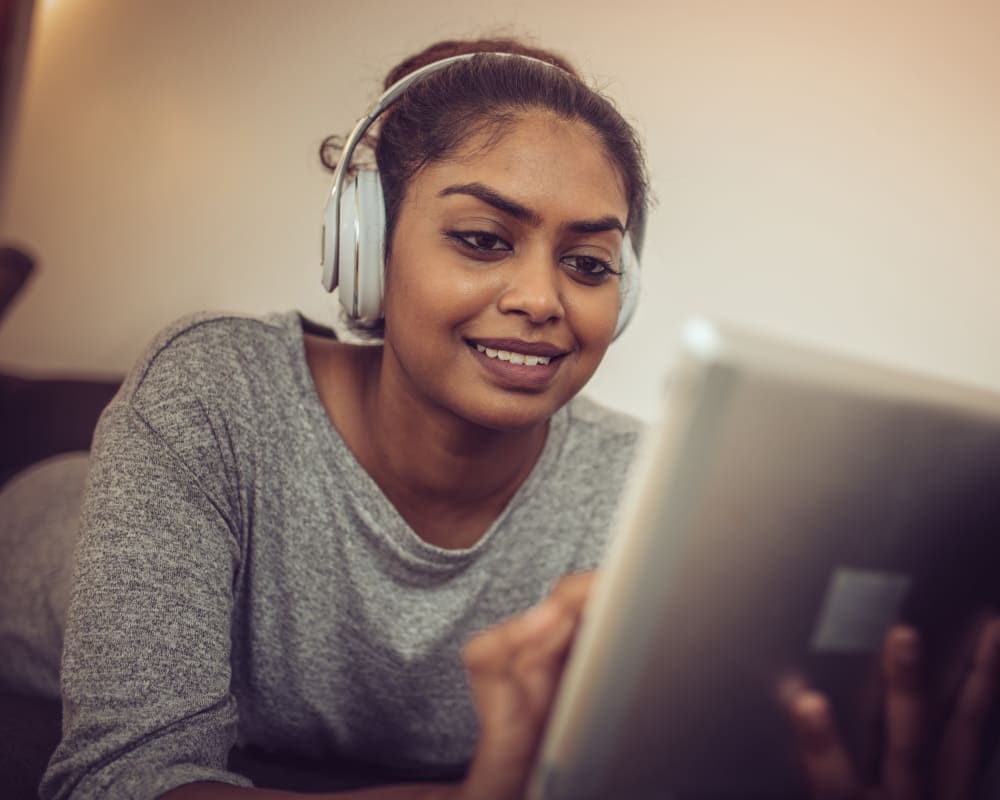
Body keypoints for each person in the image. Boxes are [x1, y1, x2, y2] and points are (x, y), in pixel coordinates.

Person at [11, 36, 997, 800]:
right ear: (363, 251)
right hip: (35, 535)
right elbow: (117, 778)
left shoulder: (640, 497)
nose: (540, 297)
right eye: (483, 238)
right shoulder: (209, 392)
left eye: (586, 262)